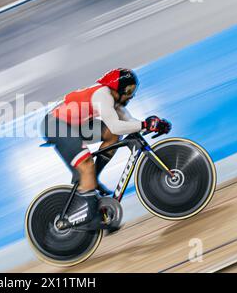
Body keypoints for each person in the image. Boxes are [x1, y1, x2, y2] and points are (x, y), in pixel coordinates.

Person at [41, 68, 171, 228]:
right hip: (55, 124)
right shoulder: (103, 95)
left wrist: (152, 125)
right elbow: (118, 126)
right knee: (87, 164)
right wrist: (144, 125)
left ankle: (91, 179)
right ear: (117, 88)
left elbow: (128, 122)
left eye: (133, 91)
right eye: (129, 90)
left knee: (112, 136)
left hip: (73, 123)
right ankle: (92, 217)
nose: (131, 95)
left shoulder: (114, 99)